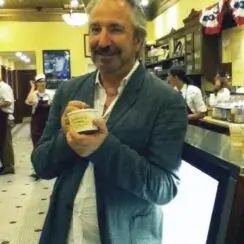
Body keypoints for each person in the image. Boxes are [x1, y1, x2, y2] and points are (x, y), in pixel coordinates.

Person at [31, 0, 188, 243]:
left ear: (137, 39)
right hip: (64, 233)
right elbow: (41, 165)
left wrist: (102, 149)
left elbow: (164, 187)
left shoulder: (166, 101)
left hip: (126, 235)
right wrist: (66, 139)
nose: (102, 41)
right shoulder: (68, 90)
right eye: (95, 29)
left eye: (115, 29)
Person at [25, 74, 55, 180]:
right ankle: (36, 169)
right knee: (36, 146)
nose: (42, 83)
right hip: (36, 124)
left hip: (48, 123)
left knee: (49, 145)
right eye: (39, 81)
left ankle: (49, 167)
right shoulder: (33, 94)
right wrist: (32, 88)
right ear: (36, 83)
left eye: (43, 81)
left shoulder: (51, 93)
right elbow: (30, 101)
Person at [0, 79, 15, 175]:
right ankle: (4, 165)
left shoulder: (4, 87)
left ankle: (9, 166)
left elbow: (8, 102)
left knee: (6, 144)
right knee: (2, 142)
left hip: (6, 118)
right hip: (1, 118)